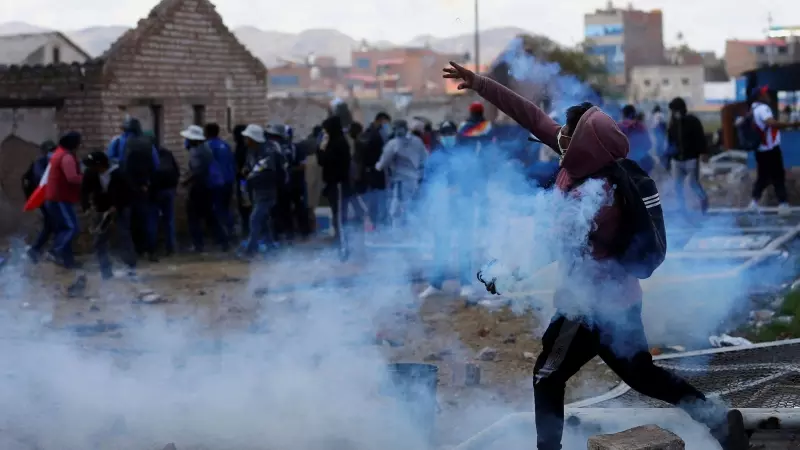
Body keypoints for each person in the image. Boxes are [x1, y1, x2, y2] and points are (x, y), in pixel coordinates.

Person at [442, 61, 747, 450]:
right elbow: (531, 116)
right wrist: (480, 83)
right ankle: (718, 421)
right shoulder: (584, 159)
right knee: (641, 374)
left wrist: (506, 271)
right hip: (621, 303)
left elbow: (554, 246)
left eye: (567, 132)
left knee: (547, 377)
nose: (558, 136)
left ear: (583, 142)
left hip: (587, 309)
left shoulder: (599, 198)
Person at [419, 120, 479, 299]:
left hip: (463, 207)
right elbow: (426, 183)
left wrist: (461, 190)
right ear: (440, 136)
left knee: (464, 245)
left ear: (456, 135)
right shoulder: (434, 158)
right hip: (442, 208)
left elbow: (474, 179)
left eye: (450, 134)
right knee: (441, 246)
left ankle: (466, 284)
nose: (448, 138)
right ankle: (436, 284)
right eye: (445, 134)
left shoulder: (465, 156)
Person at [108, 117, 159, 261]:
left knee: (125, 222)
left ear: (124, 129)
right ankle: (149, 251)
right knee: (145, 219)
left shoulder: (117, 142)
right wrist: (146, 181)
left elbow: (111, 164)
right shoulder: (148, 143)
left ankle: (129, 255)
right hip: (143, 187)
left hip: (123, 188)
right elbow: (156, 165)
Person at [81, 151, 136, 279]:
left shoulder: (119, 173)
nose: (91, 168)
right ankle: (106, 271)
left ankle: (131, 267)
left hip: (121, 208)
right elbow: (84, 191)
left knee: (124, 236)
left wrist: (117, 206)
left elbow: (129, 192)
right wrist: (86, 208)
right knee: (100, 239)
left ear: (101, 165)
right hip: (102, 208)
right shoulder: (91, 173)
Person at [748, 86, 800, 213]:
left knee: (763, 176)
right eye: (765, 93)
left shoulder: (753, 109)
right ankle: (782, 204)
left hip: (760, 149)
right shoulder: (763, 108)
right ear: (760, 96)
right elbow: (772, 123)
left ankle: (754, 202)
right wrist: (792, 124)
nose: (768, 95)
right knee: (778, 175)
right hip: (770, 149)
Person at [181, 124, 228, 253]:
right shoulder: (205, 148)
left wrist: (186, 181)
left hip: (199, 188)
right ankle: (223, 241)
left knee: (194, 218)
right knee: (210, 217)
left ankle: (198, 244)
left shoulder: (197, 151)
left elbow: (197, 171)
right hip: (206, 188)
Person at [375, 119, 428, 228]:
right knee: (412, 206)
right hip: (415, 180)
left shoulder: (393, 143)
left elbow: (382, 163)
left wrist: (376, 166)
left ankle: (399, 233)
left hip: (400, 181)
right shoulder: (417, 141)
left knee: (397, 209)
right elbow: (425, 158)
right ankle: (415, 231)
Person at [240, 124, 281, 258]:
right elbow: (249, 165)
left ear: (253, 138)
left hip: (267, 192)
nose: (245, 140)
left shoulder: (267, 152)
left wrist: (251, 176)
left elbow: (264, 171)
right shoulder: (251, 150)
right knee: (262, 220)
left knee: (255, 219)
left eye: (247, 137)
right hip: (257, 191)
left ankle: (251, 250)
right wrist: (246, 170)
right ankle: (270, 246)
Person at [45, 132, 84, 269]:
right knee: (71, 228)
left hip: (56, 197)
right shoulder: (66, 157)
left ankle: (68, 262)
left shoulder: (59, 153)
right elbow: (72, 178)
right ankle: (55, 251)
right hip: (60, 198)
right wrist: (84, 177)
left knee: (65, 228)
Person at [317, 115, 353, 260]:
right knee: (337, 215)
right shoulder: (338, 141)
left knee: (339, 217)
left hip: (338, 184)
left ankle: (343, 248)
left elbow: (323, 160)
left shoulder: (337, 143)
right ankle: (341, 244)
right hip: (335, 183)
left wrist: (321, 148)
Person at [667, 97, 710, 213]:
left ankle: (703, 201)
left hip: (691, 158)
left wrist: (704, 152)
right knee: (677, 186)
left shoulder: (693, 121)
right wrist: (668, 159)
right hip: (677, 160)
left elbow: (700, 138)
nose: (673, 113)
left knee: (693, 183)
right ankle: (682, 208)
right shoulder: (672, 124)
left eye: (675, 110)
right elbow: (670, 142)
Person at [23, 140, 57, 263]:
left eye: (53, 150)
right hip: (44, 198)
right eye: (50, 150)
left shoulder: (50, 161)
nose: (52, 153)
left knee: (51, 224)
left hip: (51, 198)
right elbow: (41, 178)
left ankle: (36, 249)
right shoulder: (40, 162)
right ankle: (45, 250)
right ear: (44, 152)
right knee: (55, 223)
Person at [358, 112, 392, 227]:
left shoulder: (369, 133)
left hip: (373, 171)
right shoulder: (375, 134)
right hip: (375, 172)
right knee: (376, 200)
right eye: (386, 123)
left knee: (375, 200)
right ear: (381, 120)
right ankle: (376, 224)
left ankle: (375, 222)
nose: (387, 125)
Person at [205, 123, 237, 236]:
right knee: (226, 207)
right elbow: (232, 163)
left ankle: (222, 236)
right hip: (229, 180)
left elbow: (207, 164)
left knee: (217, 209)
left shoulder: (208, 146)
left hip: (217, 183)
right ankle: (231, 230)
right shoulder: (225, 145)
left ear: (207, 132)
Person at [151, 141, 180, 256]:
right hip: (170, 189)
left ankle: (152, 249)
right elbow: (176, 170)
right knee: (169, 220)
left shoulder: (148, 154)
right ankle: (171, 247)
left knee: (152, 219)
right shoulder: (167, 153)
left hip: (156, 190)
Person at [618, 104, 654, 174]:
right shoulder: (641, 126)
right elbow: (649, 145)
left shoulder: (618, 126)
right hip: (640, 164)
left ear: (623, 114)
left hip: (624, 165)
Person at [233, 124, 252, 236]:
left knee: (245, 206)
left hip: (244, 181)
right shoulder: (245, 147)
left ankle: (247, 231)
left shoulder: (242, 149)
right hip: (245, 181)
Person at [651, 105, 669, 171]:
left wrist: (653, 129)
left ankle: (660, 160)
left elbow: (655, 124)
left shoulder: (656, 115)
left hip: (657, 131)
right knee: (661, 145)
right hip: (662, 131)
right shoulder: (662, 114)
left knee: (658, 145)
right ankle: (662, 159)